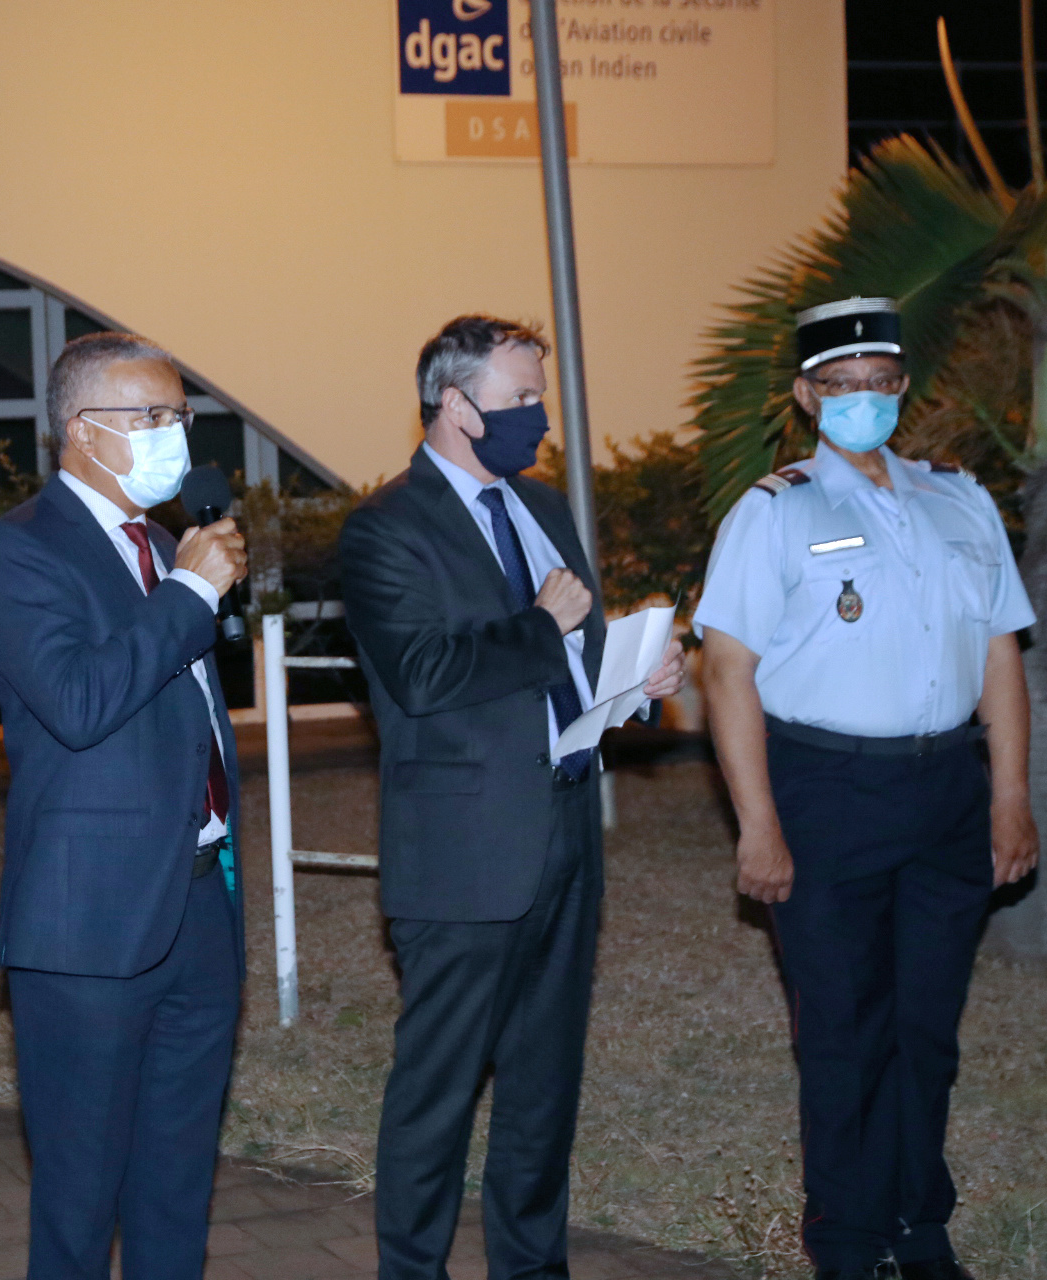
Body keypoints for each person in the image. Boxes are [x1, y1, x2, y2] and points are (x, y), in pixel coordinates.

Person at [695, 297, 1040, 1280]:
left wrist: (1008, 791)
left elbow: (1001, 650)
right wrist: (757, 822)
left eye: (879, 385)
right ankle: (847, 1240)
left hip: (945, 792)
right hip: (824, 789)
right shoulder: (775, 510)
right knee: (844, 1027)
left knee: (927, 1026)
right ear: (807, 395)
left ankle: (916, 1222)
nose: (862, 401)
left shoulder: (960, 501)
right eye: (840, 387)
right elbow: (727, 670)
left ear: (901, 388)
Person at [338, 315, 685, 1280]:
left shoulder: (543, 510)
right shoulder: (384, 528)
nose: (538, 418)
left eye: (540, 396)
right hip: (464, 851)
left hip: (566, 824)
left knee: (542, 1087)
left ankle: (533, 1268)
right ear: (455, 405)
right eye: (521, 398)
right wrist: (540, 625)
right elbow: (420, 674)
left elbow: (576, 654)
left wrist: (638, 680)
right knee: (438, 1091)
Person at [0, 331, 248, 1280]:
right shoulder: (22, 549)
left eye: (181, 415)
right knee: (82, 1199)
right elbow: (80, 703)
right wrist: (186, 597)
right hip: (88, 924)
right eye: (154, 418)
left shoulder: (169, 546)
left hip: (198, 899)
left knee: (177, 1183)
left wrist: (186, 585)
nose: (176, 437)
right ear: (85, 433)